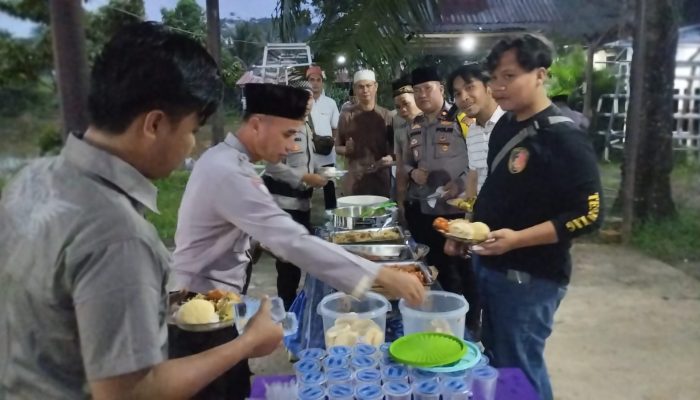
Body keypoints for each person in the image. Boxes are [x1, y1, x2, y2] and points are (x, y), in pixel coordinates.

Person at [0, 22, 283, 400]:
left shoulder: (31, 177)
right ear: (153, 124)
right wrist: (248, 344)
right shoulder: (119, 235)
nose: (192, 145)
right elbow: (131, 392)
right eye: (192, 129)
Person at [170, 82, 426, 398]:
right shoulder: (228, 172)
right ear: (256, 124)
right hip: (202, 314)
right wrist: (379, 274)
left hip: (217, 302)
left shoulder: (226, 160)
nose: (293, 146)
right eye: (288, 134)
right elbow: (291, 241)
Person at [445, 34, 603, 400]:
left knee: (520, 364)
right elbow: (498, 192)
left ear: (540, 74)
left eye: (508, 76)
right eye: (494, 77)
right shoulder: (506, 125)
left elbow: (590, 214)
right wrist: (466, 232)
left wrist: (517, 239)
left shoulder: (563, 137)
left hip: (530, 277)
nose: (498, 87)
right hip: (493, 266)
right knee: (498, 357)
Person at [403, 66, 471, 304]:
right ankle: (439, 311)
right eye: (417, 90)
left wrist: (461, 183)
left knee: (460, 272)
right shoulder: (415, 124)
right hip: (424, 211)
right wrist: (413, 173)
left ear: (441, 89)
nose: (422, 95)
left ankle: (467, 321)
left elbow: (480, 161)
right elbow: (404, 164)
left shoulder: (462, 119)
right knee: (431, 269)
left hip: (456, 212)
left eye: (427, 89)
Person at [262, 80, 328, 309]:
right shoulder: (281, 125)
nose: (308, 103)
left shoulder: (305, 125)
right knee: (288, 265)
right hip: (283, 206)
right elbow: (271, 167)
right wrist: (304, 178)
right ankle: (286, 314)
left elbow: (308, 160)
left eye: (310, 98)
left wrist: (319, 172)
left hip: (302, 205)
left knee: (302, 259)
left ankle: (298, 309)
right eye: (303, 98)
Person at [447, 64, 506, 197]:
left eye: (470, 87)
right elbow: (473, 176)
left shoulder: (511, 123)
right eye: (457, 94)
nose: (463, 97)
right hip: (484, 213)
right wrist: (469, 215)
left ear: (489, 86)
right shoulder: (472, 132)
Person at [335, 70, 394, 197]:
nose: (365, 90)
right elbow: (337, 147)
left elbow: (394, 149)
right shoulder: (346, 116)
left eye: (368, 85)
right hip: (355, 178)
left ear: (376, 87)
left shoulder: (386, 116)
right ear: (355, 89)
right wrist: (346, 149)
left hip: (380, 179)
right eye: (360, 87)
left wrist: (390, 158)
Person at [306, 65, 340, 210]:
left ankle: (331, 217)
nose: (315, 83)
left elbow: (335, 128)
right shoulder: (302, 102)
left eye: (318, 80)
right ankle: (305, 218)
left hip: (327, 155)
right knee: (305, 189)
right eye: (312, 80)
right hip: (307, 155)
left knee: (329, 187)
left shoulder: (330, 103)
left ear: (322, 82)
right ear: (307, 82)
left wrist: (329, 143)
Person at [391, 74, 422, 224]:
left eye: (406, 104)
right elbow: (400, 169)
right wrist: (400, 204)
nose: (402, 110)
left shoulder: (438, 125)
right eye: (397, 107)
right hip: (413, 197)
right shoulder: (400, 131)